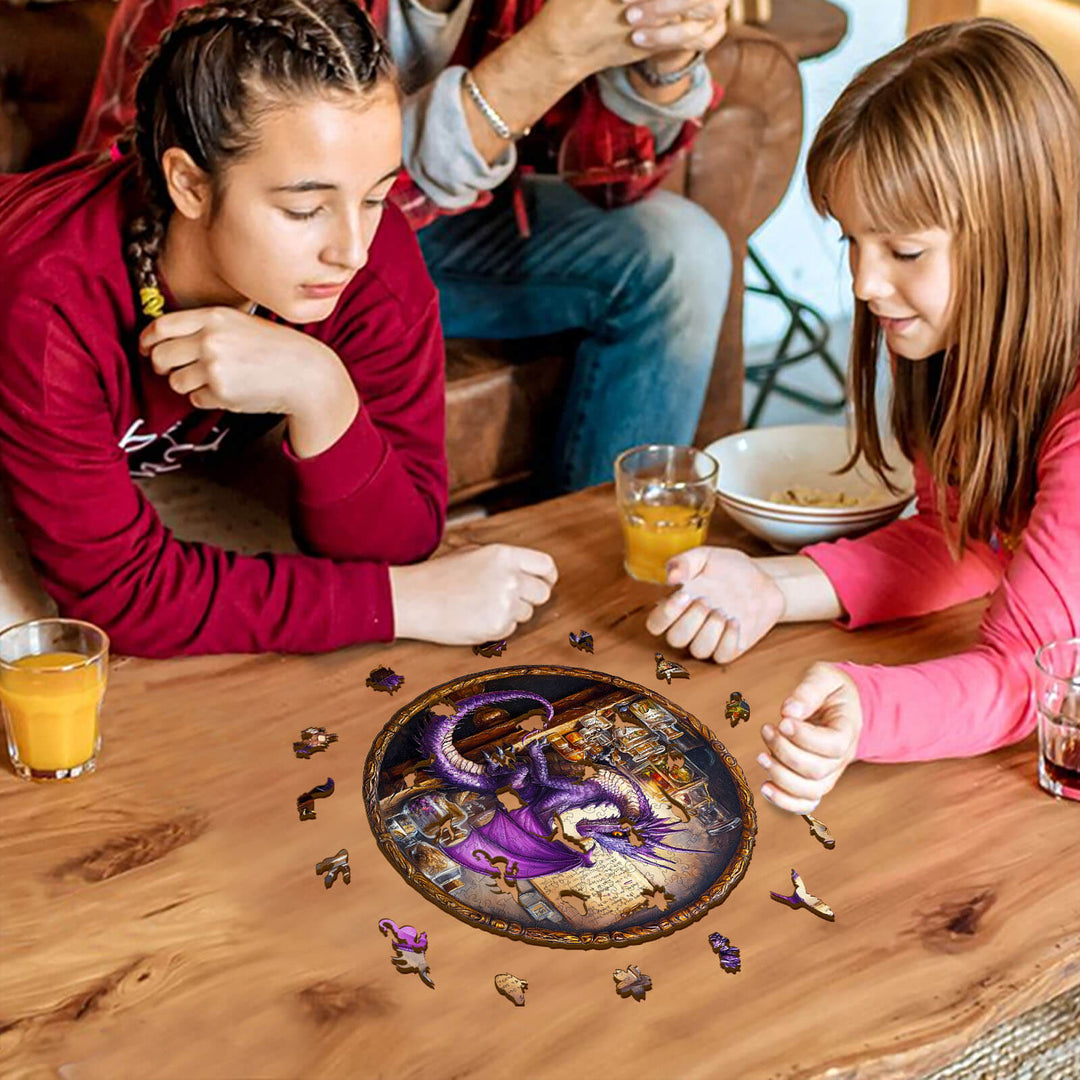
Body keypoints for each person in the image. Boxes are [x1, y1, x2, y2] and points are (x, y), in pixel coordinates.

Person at [0, 0, 556, 656]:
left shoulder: (371, 254)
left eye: (375, 196)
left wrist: (321, 390)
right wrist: (403, 601)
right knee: (33, 649)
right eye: (305, 209)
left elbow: (402, 538)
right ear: (189, 185)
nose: (351, 248)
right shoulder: (49, 300)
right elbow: (123, 598)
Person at [646, 18, 1080, 814]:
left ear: (1023, 236)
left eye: (904, 252)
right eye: (852, 240)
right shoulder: (962, 347)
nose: (862, 283)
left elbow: (1033, 673)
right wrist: (772, 587)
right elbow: (966, 537)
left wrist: (869, 708)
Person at [77, 0, 734, 493]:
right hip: (235, 247)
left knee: (680, 251)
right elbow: (156, 203)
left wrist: (660, 63)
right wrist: (544, 59)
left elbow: (617, 186)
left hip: (432, 223)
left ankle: (604, 558)